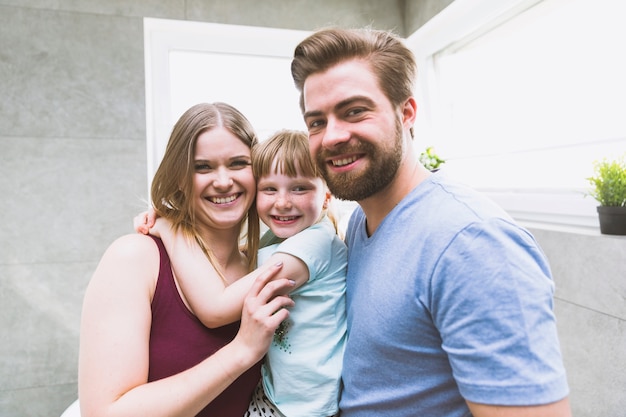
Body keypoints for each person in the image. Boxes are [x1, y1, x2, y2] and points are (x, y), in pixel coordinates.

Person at [290, 28, 572, 416]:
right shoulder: (360, 222)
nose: (332, 136)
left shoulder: (473, 244)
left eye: (354, 111)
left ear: (406, 113)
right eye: (316, 122)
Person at [78, 102, 295, 417]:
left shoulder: (261, 267)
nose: (222, 181)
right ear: (179, 177)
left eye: (238, 163)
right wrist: (240, 353)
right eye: (203, 167)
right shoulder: (136, 258)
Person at [138, 129, 347, 417]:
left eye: (300, 188)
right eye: (270, 189)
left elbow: (216, 308)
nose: (283, 202)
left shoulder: (315, 244)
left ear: (327, 196)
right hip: (277, 397)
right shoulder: (280, 239)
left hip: (304, 410)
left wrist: (169, 228)